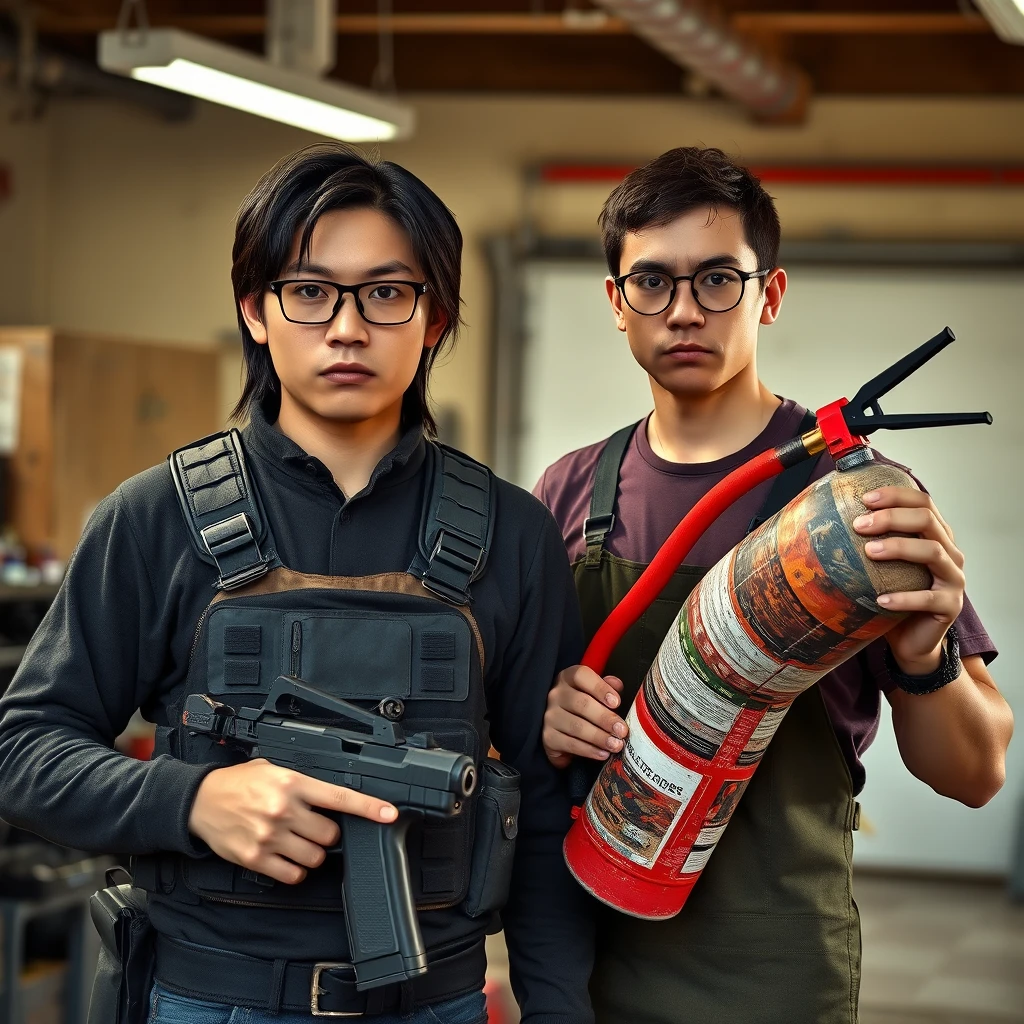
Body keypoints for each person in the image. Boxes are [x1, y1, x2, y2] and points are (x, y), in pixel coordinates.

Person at [0, 144, 594, 1024]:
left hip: (437, 1003)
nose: (347, 328)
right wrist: (193, 799)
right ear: (255, 311)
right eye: (310, 292)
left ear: (435, 319)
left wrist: (557, 1013)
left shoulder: (512, 532)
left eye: (387, 293)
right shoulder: (154, 517)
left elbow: (549, 814)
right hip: (207, 998)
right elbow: (23, 751)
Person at [534, 146, 1013, 1023]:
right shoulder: (566, 493)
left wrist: (925, 655)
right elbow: (507, 743)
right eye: (652, 283)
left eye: (718, 279)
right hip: (587, 954)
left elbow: (976, 774)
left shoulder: (858, 505)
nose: (684, 311)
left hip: (775, 970)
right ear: (615, 301)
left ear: (770, 294)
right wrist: (546, 716)